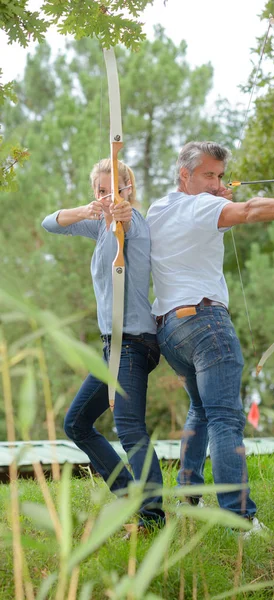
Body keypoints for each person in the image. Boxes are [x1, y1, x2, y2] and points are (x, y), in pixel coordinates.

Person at [146, 141, 274, 534]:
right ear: (184, 175)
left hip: (170, 330)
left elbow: (206, 221)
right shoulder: (204, 206)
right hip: (206, 323)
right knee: (226, 418)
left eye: (220, 176)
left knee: (201, 408)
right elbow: (247, 210)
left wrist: (214, 198)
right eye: (208, 175)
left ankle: (187, 494)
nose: (216, 183)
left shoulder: (158, 209)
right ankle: (239, 518)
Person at [42, 159, 165, 531]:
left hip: (133, 343)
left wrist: (120, 210)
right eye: (101, 190)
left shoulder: (134, 223)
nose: (108, 197)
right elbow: (50, 223)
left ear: (129, 189)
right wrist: (89, 208)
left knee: (129, 428)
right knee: (77, 423)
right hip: (114, 346)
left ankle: (154, 515)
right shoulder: (99, 226)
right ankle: (131, 494)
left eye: (116, 189)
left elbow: (125, 221)